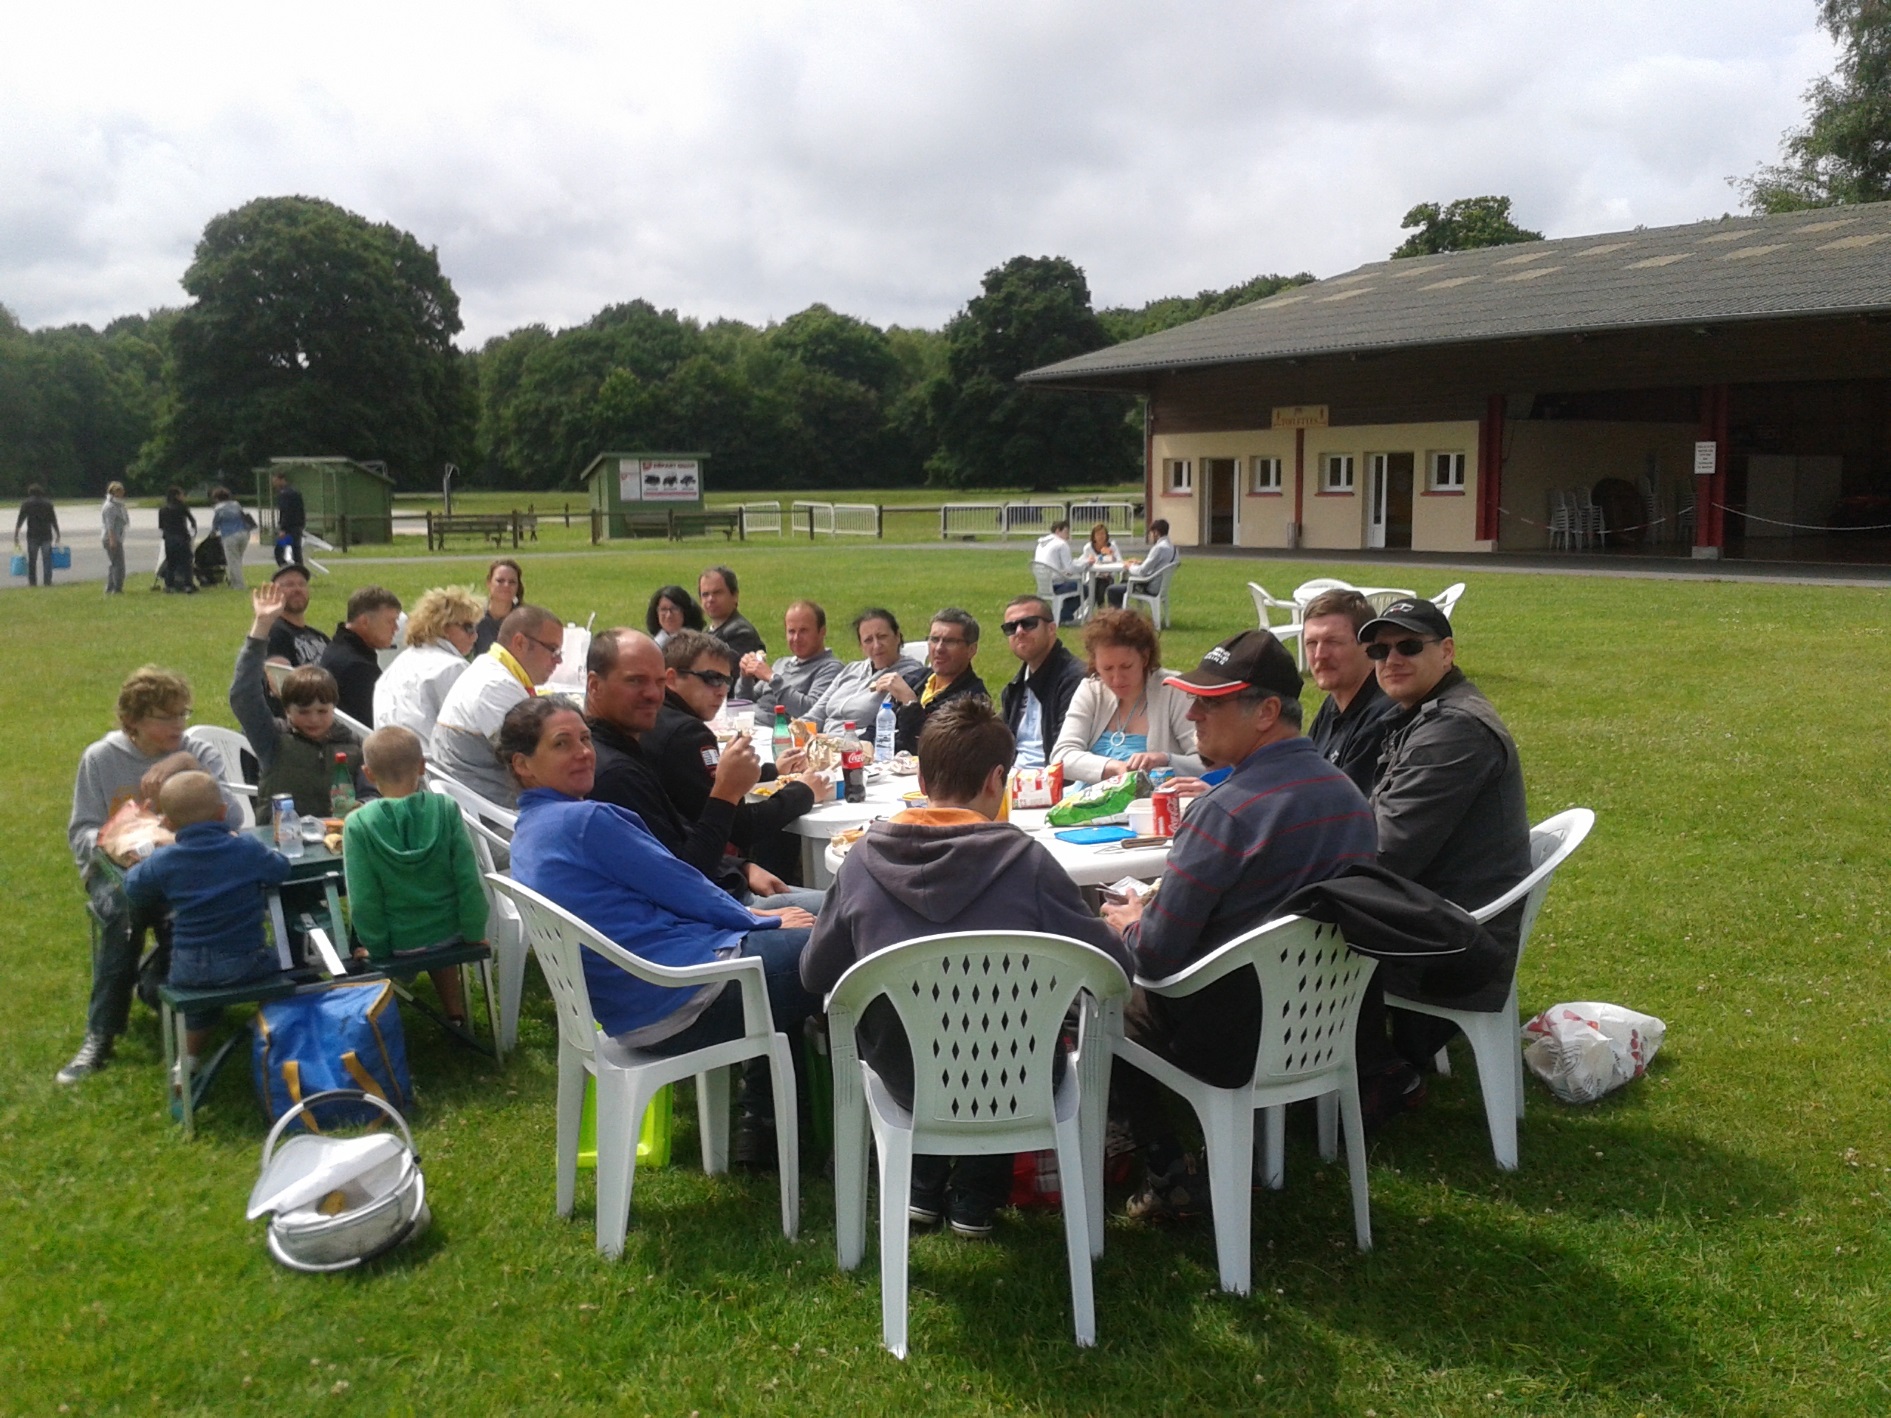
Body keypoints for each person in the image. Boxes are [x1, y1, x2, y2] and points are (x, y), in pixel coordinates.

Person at [802, 698, 1131, 1237]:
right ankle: (975, 1195)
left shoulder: (861, 862)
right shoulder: (1028, 864)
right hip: (1017, 1078)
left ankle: (923, 1183)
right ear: (997, 779)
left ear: (921, 778)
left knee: (918, 1023)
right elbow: (1113, 970)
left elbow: (816, 975)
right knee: (1007, 1019)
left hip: (904, 1077)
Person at [1099, 630, 1377, 1219]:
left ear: (1267, 712)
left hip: (1230, 1034)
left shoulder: (1225, 811)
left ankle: (1164, 1167)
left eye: (1211, 703)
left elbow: (1155, 956)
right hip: (1325, 1021)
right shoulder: (1350, 798)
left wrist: (1129, 922)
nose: (1192, 715)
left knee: (1099, 997)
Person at [504, 699, 820, 1166]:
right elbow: (682, 886)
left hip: (637, 1005)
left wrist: (757, 916)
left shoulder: (530, 830)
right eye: (562, 744)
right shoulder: (586, 822)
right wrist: (762, 922)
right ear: (523, 765)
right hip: (685, 998)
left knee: (829, 908)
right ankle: (883, 1117)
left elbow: (673, 890)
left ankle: (772, 1121)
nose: (583, 752)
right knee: (855, 942)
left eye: (585, 739)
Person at [1356, 596, 1531, 1089]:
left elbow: (1385, 853)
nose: (1391, 659)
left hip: (1453, 946)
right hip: (1439, 915)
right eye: (1379, 650)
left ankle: (1368, 1078)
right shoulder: (1426, 715)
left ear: (1447, 651)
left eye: (1409, 646)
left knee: (1274, 927)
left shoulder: (1454, 729)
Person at [59, 665, 245, 1083]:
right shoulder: (101, 758)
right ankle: (102, 1033)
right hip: (118, 871)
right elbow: (81, 830)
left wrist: (189, 764)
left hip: (185, 869)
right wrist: (120, 841)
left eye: (183, 714)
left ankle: (164, 989)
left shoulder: (196, 751)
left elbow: (231, 816)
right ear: (133, 722)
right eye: (166, 718)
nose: (179, 725)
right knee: (125, 913)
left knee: (203, 908)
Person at [586, 629, 824, 910]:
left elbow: (672, 845)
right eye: (635, 681)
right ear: (594, 685)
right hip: (708, 917)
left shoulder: (617, 746)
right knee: (853, 907)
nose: (652, 694)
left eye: (727, 680)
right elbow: (691, 873)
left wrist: (739, 866)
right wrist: (800, 792)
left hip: (710, 892)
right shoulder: (626, 767)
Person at [124, 771, 290, 1071]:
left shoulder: (165, 860)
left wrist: (143, 862)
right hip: (246, 962)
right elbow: (280, 869)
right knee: (292, 970)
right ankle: (270, 1033)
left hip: (187, 967)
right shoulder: (246, 848)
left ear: (167, 823)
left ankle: (187, 1062)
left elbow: (133, 888)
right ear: (223, 812)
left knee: (201, 1000)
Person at [643, 630, 823, 881]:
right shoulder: (686, 734)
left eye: (726, 681)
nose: (721, 691)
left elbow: (702, 786)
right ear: (672, 679)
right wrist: (803, 792)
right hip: (700, 881)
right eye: (711, 678)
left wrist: (773, 771)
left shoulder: (658, 719)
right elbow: (740, 827)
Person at [343, 726, 484, 1027]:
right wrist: (473, 932)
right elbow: (468, 878)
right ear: (422, 766)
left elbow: (364, 900)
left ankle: (377, 1026)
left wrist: (377, 949)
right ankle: (455, 1015)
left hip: (398, 942)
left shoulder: (357, 824)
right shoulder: (446, 809)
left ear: (368, 774)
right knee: (437, 931)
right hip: (451, 935)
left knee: (354, 946)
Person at [232, 586, 371, 819]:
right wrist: (261, 627)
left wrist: (363, 805)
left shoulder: (353, 744)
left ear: (334, 708)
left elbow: (371, 791)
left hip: (336, 834)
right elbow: (243, 696)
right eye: (304, 712)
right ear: (287, 710)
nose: (314, 719)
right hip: (281, 834)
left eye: (322, 711)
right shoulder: (273, 739)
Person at [430, 602, 564, 807]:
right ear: (520, 642)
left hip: (485, 802)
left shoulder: (490, 669)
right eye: (553, 650)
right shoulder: (496, 687)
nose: (559, 661)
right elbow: (535, 764)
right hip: (495, 814)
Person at [1050, 609, 1202, 783]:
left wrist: (1165, 759)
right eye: (1107, 669)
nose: (1117, 679)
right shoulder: (1092, 689)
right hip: (1086, 797)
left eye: (1126, 667)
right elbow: (1061, 756)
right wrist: (1113, 767)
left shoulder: (1174, 690)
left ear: (1145, 658)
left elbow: (1207, 762)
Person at [1303, 588, 1403, 795]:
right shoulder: (1334, 703)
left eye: (1333, 642)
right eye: (1311, 643)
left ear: (1368, 648)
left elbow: (1341, 803)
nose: (1320, 655)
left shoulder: (1381, 718)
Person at [373, 585, 482, 741]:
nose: (475, 636)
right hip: (427, 755)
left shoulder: (397, 665)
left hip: (386, 753)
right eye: (468, 627)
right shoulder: (452, 667)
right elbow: (469, 730)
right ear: (443, 627)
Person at [878, 608, 988, 754]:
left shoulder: (973, 701)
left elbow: (931, 748)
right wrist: (866, 742)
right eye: (934, 639)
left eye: (950, 641)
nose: (939, 648)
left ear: (971, 650)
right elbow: (879, 726)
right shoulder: (913, 679)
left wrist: (910, 703)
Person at [804, 608, 925, 736]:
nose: (876, 645)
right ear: (861, 646)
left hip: (858, 744)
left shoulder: (909, 675)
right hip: (822, 742)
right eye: (868, 640)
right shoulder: (851, 669)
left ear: (897, 637)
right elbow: (816, 714)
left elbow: (880, 730)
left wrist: (829, 739)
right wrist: (795, 731)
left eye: (882, 637)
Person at [997, 595, 1086, 770]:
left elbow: (1067, 754)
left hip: (1052, 779)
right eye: (1011, 627)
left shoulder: (1075, 680)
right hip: (1012, 778)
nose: (1019, 631)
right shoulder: (1016, 687)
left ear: (1051, 629)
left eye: (1029, 623)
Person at [737, 599, 842, 713]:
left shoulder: (831, 668)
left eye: (803, 631)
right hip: (749, 721)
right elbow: (743, 703)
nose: (796, 638)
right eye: (791, 631)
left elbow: (812, 711)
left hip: (778, 724)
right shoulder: (781, 664)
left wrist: (772, 679)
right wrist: (745, 677)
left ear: (822, 632)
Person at [318, 585, 403, 726]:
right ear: (364, 622)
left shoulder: (340, 648)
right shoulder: (357, 667)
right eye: (390, 621)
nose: (396, 628)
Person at [262, 563, 330, 668]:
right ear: (273, 592)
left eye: (302, 584)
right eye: (289, 585)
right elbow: (278, 676)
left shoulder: (319, 636)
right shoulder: (274, 634)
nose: (298, 589)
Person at [697, 564, 765, 663]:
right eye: (705, 594)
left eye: (717, 592)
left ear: (735, 596)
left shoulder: (741, 634)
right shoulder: (708, 632)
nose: (710, 599)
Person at [1106, 519, 1177, 609]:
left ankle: (1119, 615)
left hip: (1150, 587)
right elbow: (1160, 565)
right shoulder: (1173, 549)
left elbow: (1142, 572)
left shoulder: (1158, 548)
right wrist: (1142, 563)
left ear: (1156, 533)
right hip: (1160, 586)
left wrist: (1130, 566)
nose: (1150, 537)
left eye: (1150, 533)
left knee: (1112, 590)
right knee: (1123, 584)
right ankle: (1125, 611)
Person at [1031, 519, 1081, 624]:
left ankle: (1060, 615)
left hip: (1043, 584)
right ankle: (1064, 616)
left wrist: (1062, 572)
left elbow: (1050, 563)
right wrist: (1085, 564)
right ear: (1058, 530)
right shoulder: (1061, 544)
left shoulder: (1041, 543)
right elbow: (1070, 567)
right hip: (1056, 584)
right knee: (1084, 588)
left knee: (1073, 583)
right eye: (1066, 532)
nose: (1068, 536)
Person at [472, 558, 524, 655]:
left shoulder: (525, 621)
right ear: (488, 583)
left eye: (512, 582)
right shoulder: (473, 618)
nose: (506, 585)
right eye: (500, 581)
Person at [14, 483, 60, 587]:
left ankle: (32, 582)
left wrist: (16, 535)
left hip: (32, 535)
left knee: (32, 560)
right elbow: (53, 520)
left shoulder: (26, 504)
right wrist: (57, 533)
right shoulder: (48, 504)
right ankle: (47, 581)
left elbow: (20, 519)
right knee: (47, 560)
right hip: (46, 535)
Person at [209, 486, 250, 589]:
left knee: (233, 561)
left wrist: (212, 533)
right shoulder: (236, 505)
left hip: (229, 535)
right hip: (244, 533)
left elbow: (216, 523)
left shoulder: (218, 508)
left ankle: (239, 585)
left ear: (216, 498)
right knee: (238, 559)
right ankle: (233, 581)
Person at [158, 486, 197, 594]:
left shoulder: (163, 509)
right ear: (177, 496)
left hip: (169, 539)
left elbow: (161, 526)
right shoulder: (182, 507)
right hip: (182, 537)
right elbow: (192, 521)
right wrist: (193, 529)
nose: (183, 496)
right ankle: (188, 585)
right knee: (186, 563)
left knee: (171, 563)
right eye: (181, 494)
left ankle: (169, 585)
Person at [1077, 521, 1123, 609]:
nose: (1101, 537)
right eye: (1098, 534)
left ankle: (1101, 610)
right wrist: (1097, 559)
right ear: (1093, 536)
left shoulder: (1112, 547)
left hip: (1107, 576)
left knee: (1101, 589)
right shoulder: (1088, 548)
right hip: (1092, 576)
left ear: (1106, 535)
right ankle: (1092, 611)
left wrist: (1112, 558)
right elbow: (1083, 562)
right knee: (1093, 589)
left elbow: (1120, 561)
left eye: (1103, 534)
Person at [644, 584, 706, 649]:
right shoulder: (650, 645)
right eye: (663, 609)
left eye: (674, 609)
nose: (669, 615)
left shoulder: (699, 646)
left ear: (685, 612)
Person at [99, 482, 129, 596]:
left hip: (117, 537)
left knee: (114, 563)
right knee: (119, 564)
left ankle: (110, 587)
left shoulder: (118, 505)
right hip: (111, 538)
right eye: (119, 491)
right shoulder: (110, 507)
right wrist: (112, 539)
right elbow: (109, 525)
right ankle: (117, 588)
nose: (122, 493)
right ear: (113, 492)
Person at [271, 471, 306, 569]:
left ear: (281, 480)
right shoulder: (295, 492)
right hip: (297, 526)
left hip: (288, 529)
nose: (274, 484)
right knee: (296, 550)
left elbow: (285, 512)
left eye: (275, 481)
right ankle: (299, 569)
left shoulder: (284, 494)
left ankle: (284, 567)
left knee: (279, 550)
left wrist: (282, 528)